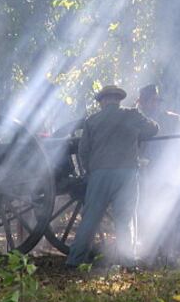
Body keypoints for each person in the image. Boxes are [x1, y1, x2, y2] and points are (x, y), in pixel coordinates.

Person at [66, 85, 159, 267]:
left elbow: (83, 150)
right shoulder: (132, 115)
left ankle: (73, 261)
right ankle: (128, 263)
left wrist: (89, 171)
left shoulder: (92, 120)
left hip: (99, 174)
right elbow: (153, 130)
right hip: (127, 174)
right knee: (125, 219)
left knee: (90, 219)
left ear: (102, 101)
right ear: (118, 99)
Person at [136, 84, 180, 263]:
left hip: (166, 172)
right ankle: (148, 251)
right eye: (147, 101)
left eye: (153, 100)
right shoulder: (137, 119)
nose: (151, 104)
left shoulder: (173, 120)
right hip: (144, 172)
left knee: (167, 212)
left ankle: (167, 253)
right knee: (144, 212)